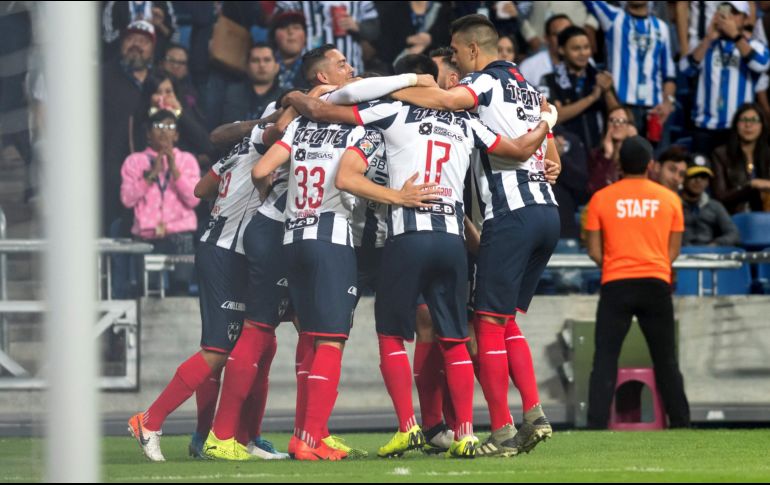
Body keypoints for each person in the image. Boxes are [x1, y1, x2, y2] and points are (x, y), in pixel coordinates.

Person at [282, 52, 556, 458]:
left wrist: (296, 97)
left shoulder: (388, 111)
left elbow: (338, 141)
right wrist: (547, 121)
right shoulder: (467, 121)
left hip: (404, 237)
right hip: (451, 240)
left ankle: (409, 427)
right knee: (456, 338)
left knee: (389, 333)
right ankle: (465, 434)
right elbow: (516, 149)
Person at [390, 14, 562, 457]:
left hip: (511, 214)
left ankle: (502, 430)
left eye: (455, 50)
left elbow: (449, 101)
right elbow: (546, 129)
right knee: (505, 321)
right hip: (548, 211)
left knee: (485, 322)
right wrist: (552, 142)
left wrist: (389, 88)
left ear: (470, 50)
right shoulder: (527, 87)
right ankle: (534, 414)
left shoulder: (484, 84)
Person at [127, 108, 284, 462]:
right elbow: (273, 130)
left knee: (261, 344)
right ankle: (149, 420)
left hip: (225, 249)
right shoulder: (264, 143)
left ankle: (226, 437)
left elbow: (201, 189)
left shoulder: (238, 150)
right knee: (217, 350)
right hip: (227, 253)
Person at [584, 135, 691, 430]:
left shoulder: (600, 199)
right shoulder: (670, 199)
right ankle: (681, 422)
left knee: (605, 357)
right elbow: (674, 250)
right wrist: (655, 265)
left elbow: (594, 249)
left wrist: (616, 266)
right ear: (651, 165)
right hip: (656, 283)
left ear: (620, 165)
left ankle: (594, 426)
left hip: (616, 283)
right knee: (666, 359)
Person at [686, 1, 770, 155]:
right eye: (725, 11)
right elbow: (686, 69)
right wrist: (708, 39)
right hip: (705, 128)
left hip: (738, 130)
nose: (729, 17)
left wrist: (736, 37)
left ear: (745, 18)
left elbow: (762, 64)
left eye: (735, 13)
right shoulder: (704, 44)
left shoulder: (755, 45)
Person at [584, 1, 677, 140]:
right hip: (621, 107)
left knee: (655, 160)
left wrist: (668, 101)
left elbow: (669, 75)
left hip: (654, 110)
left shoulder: (661, 27)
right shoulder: (613, 18)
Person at [101, 19, 156, 234]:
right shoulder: (101, 78)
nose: (136, 44)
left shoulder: (160, 82)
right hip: (110, 168)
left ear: (153, 48)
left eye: (143, 41)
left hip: (153, 170)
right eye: (130, 39)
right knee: (110, 227)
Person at [540, 25, 618, 154]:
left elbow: (617, 115)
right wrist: (592, 98)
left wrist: (608, 90)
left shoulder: (600, 78)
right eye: (576, 48)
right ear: (561, 50)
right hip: (567, 155)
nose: (583, 53)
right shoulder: (549, 80)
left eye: (586, 47)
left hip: (599, 153)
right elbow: (553, 117)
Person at [275, 1, 380, 75]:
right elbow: (277, 20)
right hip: (310, 68)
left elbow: (375, 31)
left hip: (351, 66)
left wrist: (357, 26)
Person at [712, 103, 770, 213]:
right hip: (733, 217)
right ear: (736, 125)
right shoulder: (721, 154)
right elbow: (720, 197)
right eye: (743, 120)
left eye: (754, 120)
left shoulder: (768, 154)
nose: (748, 125)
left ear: (762, 125)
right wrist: (750, 186)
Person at [219, 44, 283, 127]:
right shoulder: (230, 93)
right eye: (255, 60)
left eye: (267, 60)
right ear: (247, 66)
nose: (261, 65)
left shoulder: (284, 97)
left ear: (277, 66)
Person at [681, 159, 741, 246]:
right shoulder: (673, 204)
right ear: (683, 178)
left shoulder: (715, 206)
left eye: (703, 177)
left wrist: (716, 244)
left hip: (709, 255)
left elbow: (734, 234)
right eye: (693, 176)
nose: (698, 180)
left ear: (708, 182)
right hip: (679, 254)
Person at [374, 1, 453, 66]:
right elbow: (384, 47)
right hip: (398, 69)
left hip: (435, 68)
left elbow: (450, 42)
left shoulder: (444, 10)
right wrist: (407, 41)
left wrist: (431, 41)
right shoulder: (392, 10)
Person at [102, 1, 177, 62]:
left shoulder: (163, 3)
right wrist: (133, 26)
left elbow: (174, 39)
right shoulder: (114, 3)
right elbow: (108, 38)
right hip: (121, 58)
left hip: (157, 60)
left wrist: (160, 25)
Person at [519, 14, 573, 87]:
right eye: (558, 34)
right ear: (546, 39)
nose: (564, 38)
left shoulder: (587, 62)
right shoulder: (528, 67)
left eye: (568, 33)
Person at [270, 11, 309, 90]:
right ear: (274, 36)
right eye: (284, 27)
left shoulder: (314, 69)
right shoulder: (263, 64)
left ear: (306, 37)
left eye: (296, 27)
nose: (290, 32)